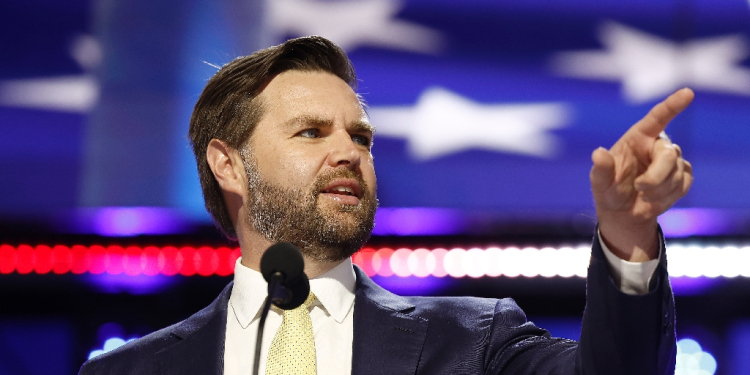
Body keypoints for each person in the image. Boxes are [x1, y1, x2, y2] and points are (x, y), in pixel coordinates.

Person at [79, 36, 693, 375]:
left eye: (361, 136)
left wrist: (626, 232)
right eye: (312, 132)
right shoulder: (128, 374)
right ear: (227, 164)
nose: (349, 151)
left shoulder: (474, 343)